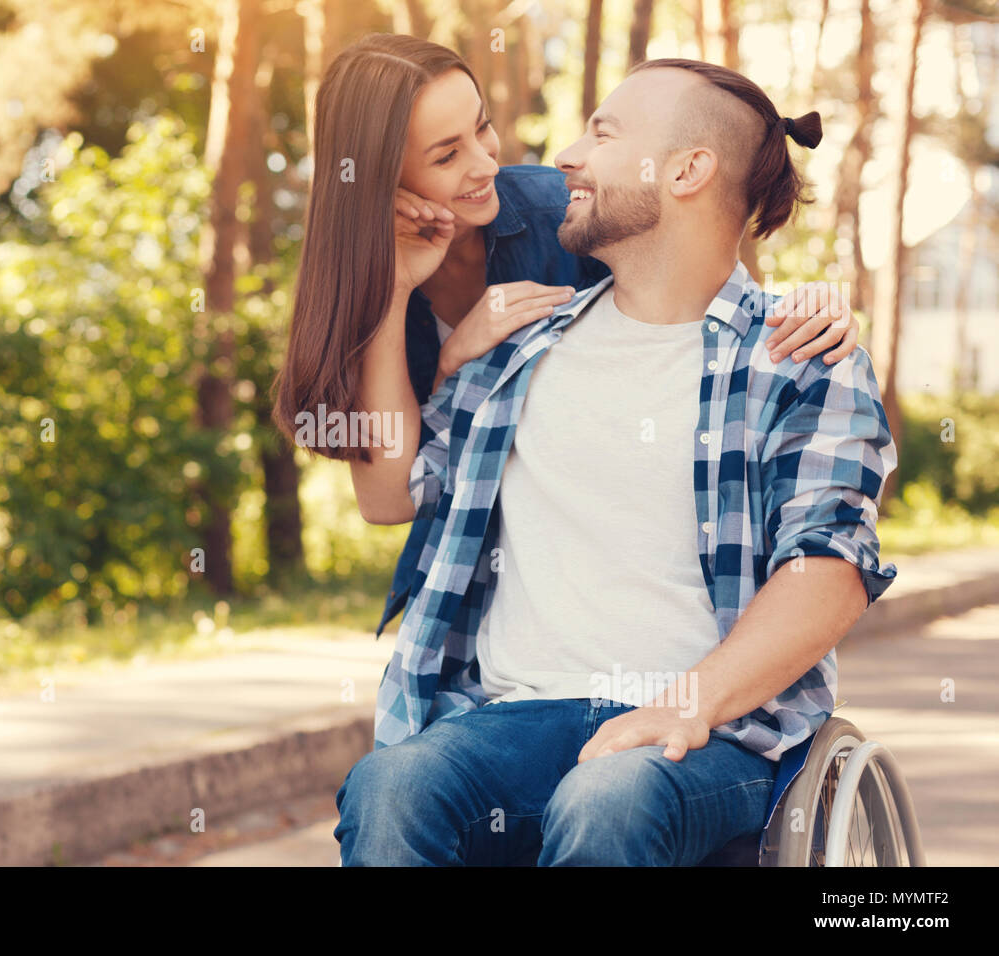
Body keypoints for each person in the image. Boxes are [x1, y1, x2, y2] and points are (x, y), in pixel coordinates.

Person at [333, 57, 898, 866]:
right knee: (393, 786)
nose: (564, 156)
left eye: (601, 132)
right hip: (512, 720)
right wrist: (415, 316)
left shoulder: (799, 357)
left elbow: (831, 569)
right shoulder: (520, 347)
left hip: (712, 737)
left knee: (606, 796)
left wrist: (682, 707)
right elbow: (397, 486)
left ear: (687, 169)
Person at [270, 33, 859, 647]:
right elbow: (390, 498)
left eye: (483, 128)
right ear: (378, 179)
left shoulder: (565, 213)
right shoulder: (357, 281)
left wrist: (806, 309)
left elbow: (707, 294)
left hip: (612, 584)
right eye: (447, 156)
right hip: (480, 596)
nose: (486, 165)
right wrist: (405, 306)